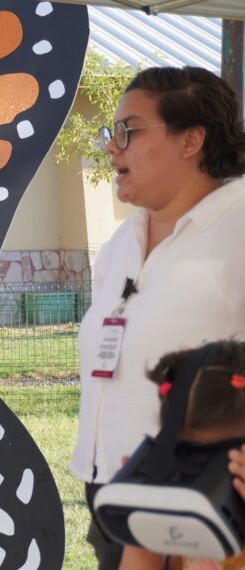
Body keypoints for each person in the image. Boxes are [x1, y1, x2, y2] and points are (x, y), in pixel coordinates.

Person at [71, 66, 245, 570]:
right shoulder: (123, 241)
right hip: (115, 490)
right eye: (111, 132)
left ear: (190, 140)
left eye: (128, 130)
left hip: (205, 498)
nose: (111, 147)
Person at [117, 340, 245, 570]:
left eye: (220, 463)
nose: (201, 483)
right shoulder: (185, 526)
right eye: (188, 461)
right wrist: (143, 521)